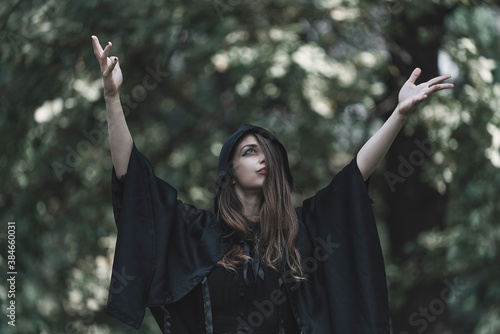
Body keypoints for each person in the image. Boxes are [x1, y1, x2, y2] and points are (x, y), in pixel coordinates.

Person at [91, 35, 453, 334]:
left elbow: (353, 179)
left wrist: (398, 114)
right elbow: (133, 179)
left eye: (266, 152)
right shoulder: (195, 233)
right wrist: (112, 98)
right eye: (249, 152)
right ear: (229, 169)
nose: (261, 158)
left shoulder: (299, 233)